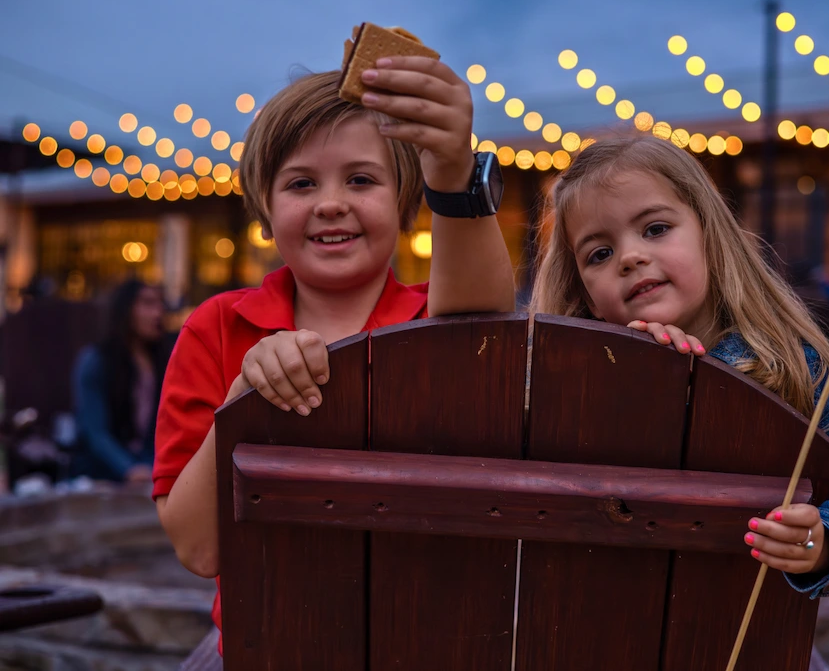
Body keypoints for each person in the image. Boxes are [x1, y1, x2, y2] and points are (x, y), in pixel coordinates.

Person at [153, 56, 516, 653]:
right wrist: (243, 403)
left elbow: (483, 315)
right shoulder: (215, 328)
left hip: (426, 646)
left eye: (361, 179)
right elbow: (199, 548)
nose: (330, 203)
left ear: (405, 203)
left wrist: (452, 170)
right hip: (265, 646)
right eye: (301, 183)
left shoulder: (440, 318)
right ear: (265, 211)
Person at [531, 136, 829, 598]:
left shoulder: (791, 365)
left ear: (708, 231)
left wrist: (822, 541)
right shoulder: (573, 387)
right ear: (586, 294)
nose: (630, 257)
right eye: (600, 254)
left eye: (655, 229)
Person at [73, 280, 167, 483]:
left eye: (160, 304)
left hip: (148, 474)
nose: (158, 313)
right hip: (101, 476)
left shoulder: (162, 362)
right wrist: (129, 469)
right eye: (148, 304)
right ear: (125, 310)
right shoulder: (96, 361)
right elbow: (95, 432)